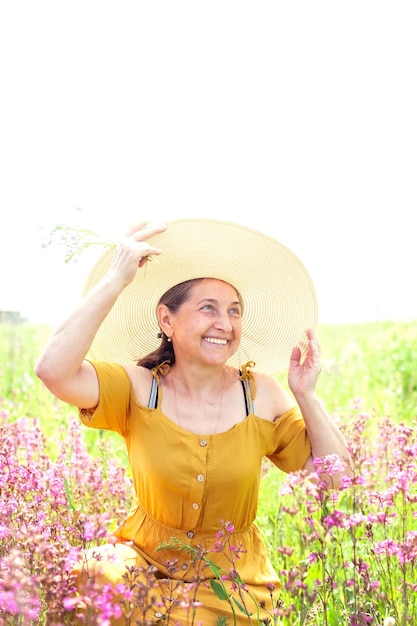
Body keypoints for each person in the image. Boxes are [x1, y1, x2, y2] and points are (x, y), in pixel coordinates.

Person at [35, 218, 352, 625]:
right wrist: (116, 279)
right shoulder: (138, 387)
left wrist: (306, 394)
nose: (226, 323)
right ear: (167, 320)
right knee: (90, 579)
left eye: (234, 311)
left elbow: (334, 479)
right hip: (143, 561)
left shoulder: (259, 394)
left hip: (232, 580)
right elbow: (54, 371)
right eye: (209, 308)